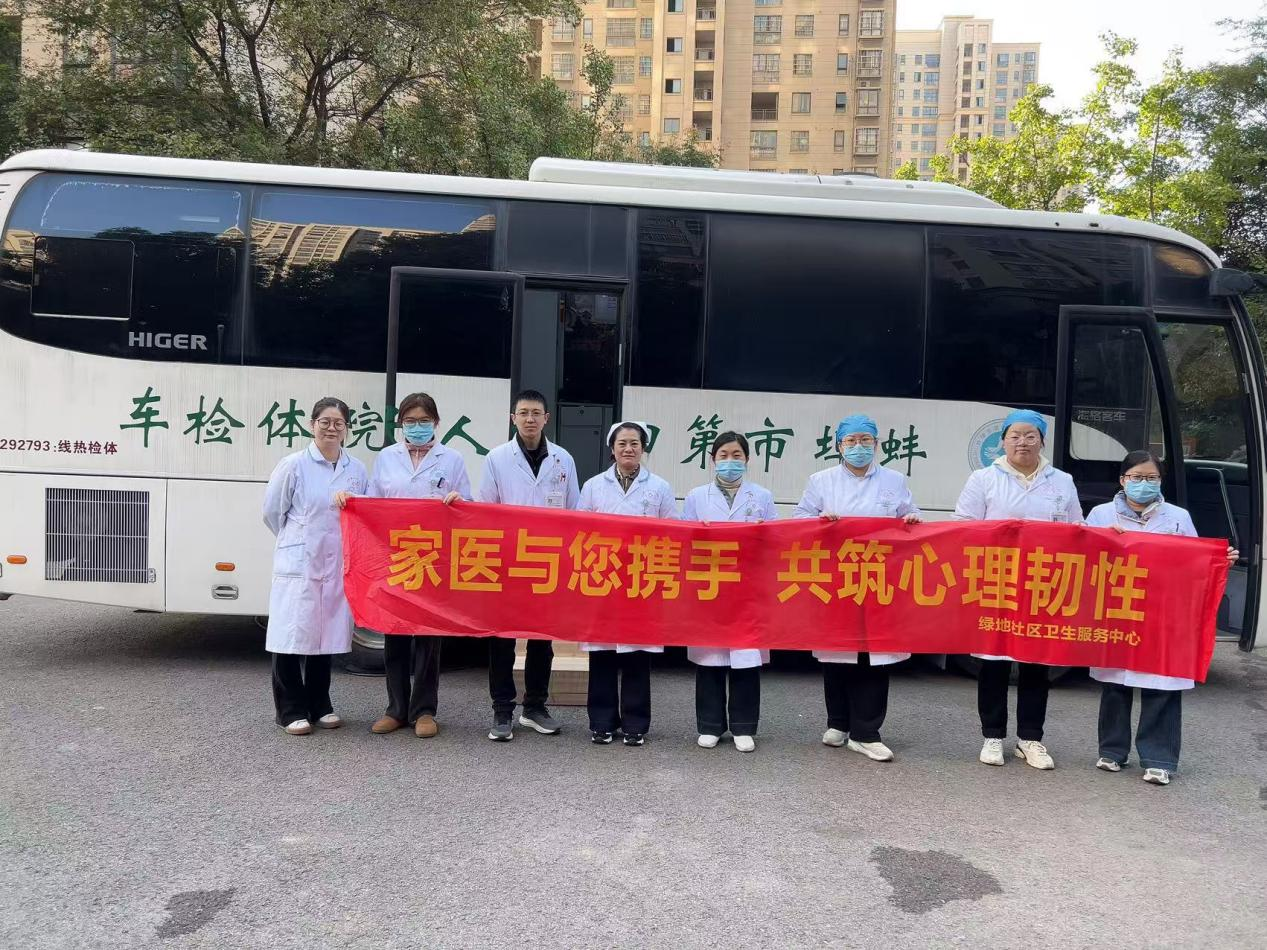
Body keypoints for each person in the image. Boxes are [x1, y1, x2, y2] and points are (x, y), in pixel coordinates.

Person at [1085, 450, 1239, 786]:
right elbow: (1080, 557)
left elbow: (1196, 561)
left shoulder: (1178, 517)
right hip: (1119, 607)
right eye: (1136, 477)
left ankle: (1159, 759)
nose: (1143, 483)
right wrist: (1103, 538)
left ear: (1160, 482)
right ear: (1122, 480)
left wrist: (1220, 560)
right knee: (1116, 683)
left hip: (1164, 610)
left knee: (1162, 683)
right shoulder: (1100, 515)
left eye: (1151, 478)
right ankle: (1112, 751)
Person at [335, 393, 471, 739]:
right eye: (410, 421)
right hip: (394, 556)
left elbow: (468, 504)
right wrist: (351, 502)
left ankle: (424, 710)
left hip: (432, 558)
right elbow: (373, 502)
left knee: (428, 637)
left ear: (436, 423)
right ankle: (395, 709)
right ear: (401, 425)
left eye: (424, 421)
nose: (417, 427)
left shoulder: (452, 459)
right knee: (394, 633)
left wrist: (458, 500)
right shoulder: (387, 458)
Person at [954, 408, 1084, 770]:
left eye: (1030, 436)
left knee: (1036, 662)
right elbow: (963, 526)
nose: (1022, 442)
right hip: (996, 582)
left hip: (1044, 584)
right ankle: (992, 736)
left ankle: (1030, 739)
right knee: (993, 662)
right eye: (1015, 436)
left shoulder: (1062, 481)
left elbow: (1078, 528)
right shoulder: (983, 479)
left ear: (1042, 441)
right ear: (1003, 442)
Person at [793, 413, 921, 763]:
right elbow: (800, 519)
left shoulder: (894, 480)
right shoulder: (821, 480)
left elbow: (911, 516)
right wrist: (819, 522)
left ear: (877, 445)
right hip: (837, 578)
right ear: (839, 446)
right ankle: (838, 722)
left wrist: (911, 519)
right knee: (837, 651)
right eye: (851, 441)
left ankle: (866, 732)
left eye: (866, 440)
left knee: (874, 654)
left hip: (879, 578)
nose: (858, 447)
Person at [262, 397, 368, 736]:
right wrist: (299, 541)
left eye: (338, 423)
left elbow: (364, 513)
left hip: (335, 563)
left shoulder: (356, 469)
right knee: (291, 635)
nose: (331, 428)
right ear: (312, 425)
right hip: (301, 562)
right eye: (325, 422)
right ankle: (289, 709)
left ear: (347, 429)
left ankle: (320, 704)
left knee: (326, 636)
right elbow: (273, 513)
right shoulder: (293, 465)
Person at [478, 389, 579, 741]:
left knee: (541, 639)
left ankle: (535, 707)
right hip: (506, 560)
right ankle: (502, 710)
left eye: (536, 413)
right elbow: (485, 509)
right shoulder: (496, 458)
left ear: (546, 418)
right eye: (523, 413)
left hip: (547, 561)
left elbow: (574, 511)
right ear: (513, 418)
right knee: (502, 639)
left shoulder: (563, 459)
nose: (530, 419)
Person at [578, 422, 679, 746]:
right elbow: (579, 529)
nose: (628, 449)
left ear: (643, 448)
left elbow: (673, 530)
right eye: (622, 443)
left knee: (637, 654)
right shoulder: (593, 486)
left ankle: (636, 724)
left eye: (634, 443)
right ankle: (602, 722)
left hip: (641, 581)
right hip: (604, 579)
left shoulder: (659, 487)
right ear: (612, 448)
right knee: (603, 654)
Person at [682, 432, 777, 753]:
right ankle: (710, 725)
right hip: (710, 585)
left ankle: (743, 727)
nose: (730, 461)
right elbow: (682, 540)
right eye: (723, 455)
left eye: (737, 455)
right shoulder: (697, 496)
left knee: (745, 659)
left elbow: (777, 540)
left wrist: (761, 533)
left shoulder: (762, 496)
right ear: (713, 460)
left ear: (747, 460)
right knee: (710, 658)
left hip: (748, 587)